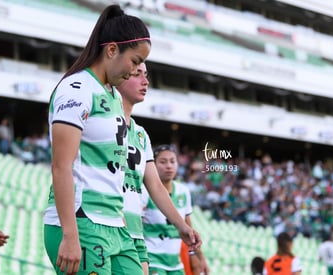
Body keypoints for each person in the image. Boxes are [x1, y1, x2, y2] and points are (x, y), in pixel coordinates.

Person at [43, 4, 153, 275]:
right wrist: (70, 235)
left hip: (116, 226)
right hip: (82, 223)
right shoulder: (76, 89)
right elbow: (61, 166)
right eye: (136, 61)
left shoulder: (114, 96)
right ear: (112, 50)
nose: (137, 70)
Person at [117, 63, 203, 275]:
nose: (145, 81)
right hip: (118, 235)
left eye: (172, 161)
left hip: (164, 258)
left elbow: (155, 186)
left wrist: (185, 231)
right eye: (137, 74)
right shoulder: (102, 122)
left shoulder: (141, 135)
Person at [143, 144, 210, 275]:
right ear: (153, 165)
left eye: (172, 161)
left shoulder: (183, 191)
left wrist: (200, 257)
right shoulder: (144, 192)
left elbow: (188, 229)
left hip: (175, 264)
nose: (169, 166)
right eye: (163, 162)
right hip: (152, 261)